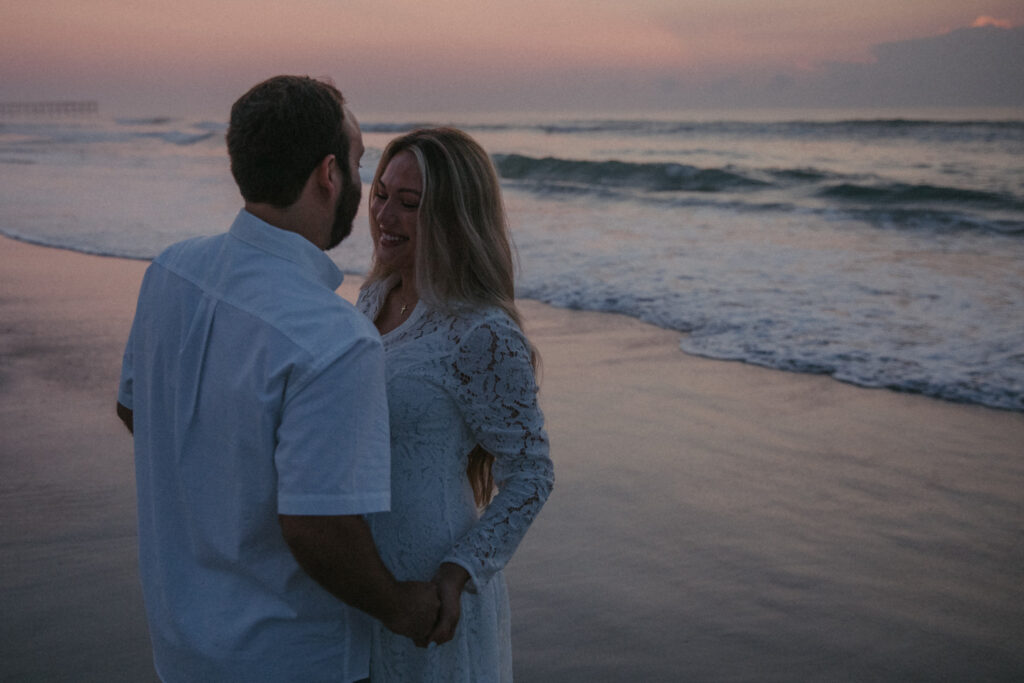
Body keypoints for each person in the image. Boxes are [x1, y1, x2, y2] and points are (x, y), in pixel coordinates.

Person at [116, 75, 439, 682]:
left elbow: (136, 408)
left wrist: (224, 490)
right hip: (288, 659)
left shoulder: (171, 269)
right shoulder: (334, 339)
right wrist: (403, 606)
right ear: (327, 174)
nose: (361, 183)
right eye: (358, 160)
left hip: (180, 642)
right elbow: (318, 525)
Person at [356, 127, 554, 682]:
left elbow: (532, 473)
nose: (384, 215)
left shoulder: (480, 332)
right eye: (380, 194)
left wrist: (459, 571)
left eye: (409, 203)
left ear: (454, 216)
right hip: (359, 578)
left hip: (429, 587)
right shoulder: (374, 297)